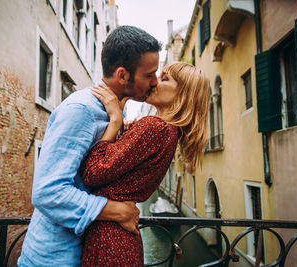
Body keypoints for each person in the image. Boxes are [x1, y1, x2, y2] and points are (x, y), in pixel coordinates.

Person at [18, 26, 162, 267]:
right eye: (149, 75)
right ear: (123, 75)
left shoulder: (117, 111)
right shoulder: (81, 110)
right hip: (55, 259)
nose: (155, 81)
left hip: (88, 252)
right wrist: (117, 211)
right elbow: (47, 192)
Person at [80, 62, 211, 266]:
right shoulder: (169, 132)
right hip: (120, 238)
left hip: (109, 239)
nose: (155, 81)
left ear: (183, 94)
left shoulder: (154, 127)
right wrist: (125, 135)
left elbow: (92, 172)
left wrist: (115, 120)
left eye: (165, 78)